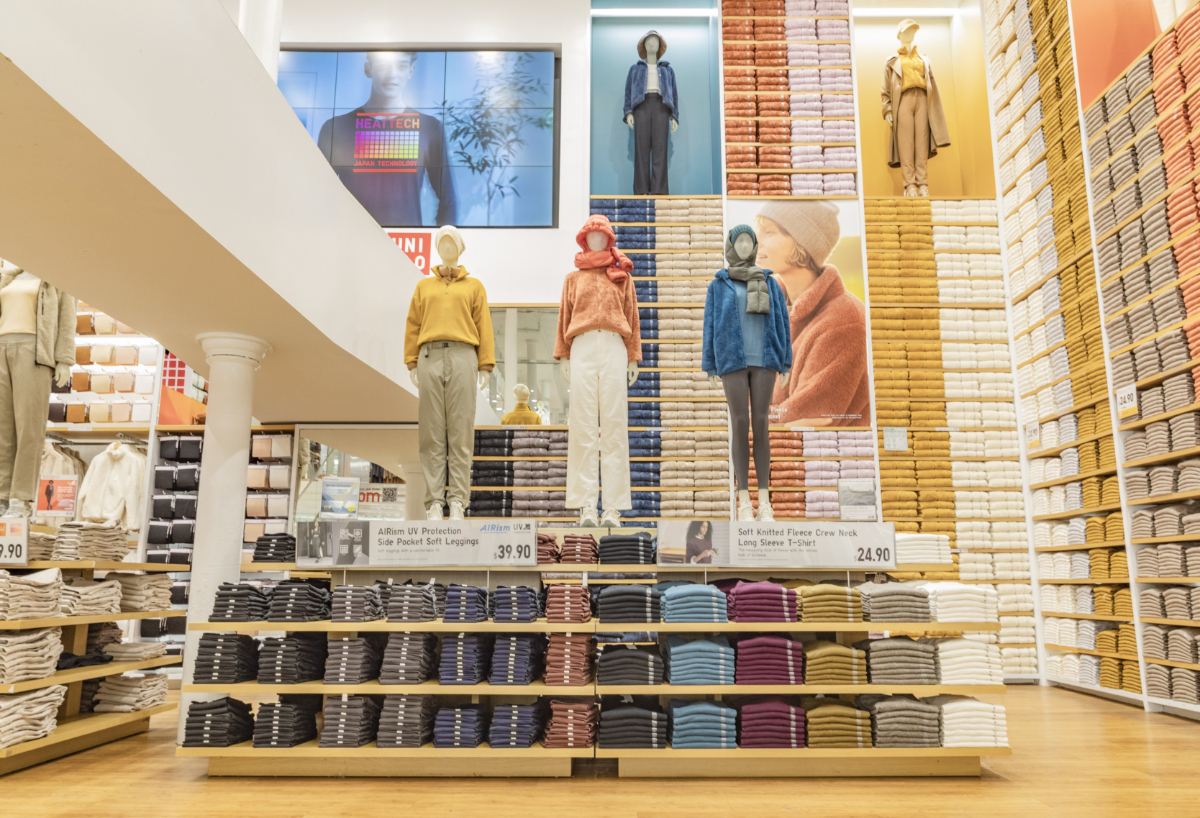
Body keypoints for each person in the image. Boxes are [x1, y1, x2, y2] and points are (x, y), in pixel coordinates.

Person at [754, 201, 869, 426]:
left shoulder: (844, 322)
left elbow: (803, 417)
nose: (755, 241)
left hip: (827, 458)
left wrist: (744, 415)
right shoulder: (767, 311)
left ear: (802, 243)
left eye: (768, 232)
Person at [318, 51, 456, 227]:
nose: (392, 74)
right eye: (383, 66)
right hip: (351, 246)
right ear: (368, 69)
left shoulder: (430, 128)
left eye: (401, 66)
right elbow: (318, 194)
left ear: (411, 71)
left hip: (407, 249)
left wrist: (440, 248)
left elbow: (448, 200)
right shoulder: (335, 128)